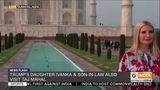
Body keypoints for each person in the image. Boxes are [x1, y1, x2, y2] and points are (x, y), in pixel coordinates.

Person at [118, 20, 160, 90]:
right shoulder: (128, 57)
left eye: (151, 32)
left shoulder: (158, 56)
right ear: (137, 35)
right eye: (143, 32)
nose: (148, 35)